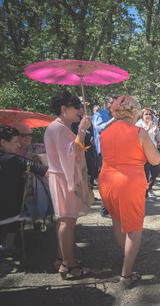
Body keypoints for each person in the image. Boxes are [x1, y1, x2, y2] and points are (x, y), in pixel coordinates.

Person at [98, 96, 160, 288]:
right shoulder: (139, 132)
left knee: (117, 220)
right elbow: (156, 160)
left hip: (107, 180)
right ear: (133, 112)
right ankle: (126, 275)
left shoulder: (105, 132)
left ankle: (127, 256)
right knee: (134, 228)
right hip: (128, 183)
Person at [44, 91, 92, 279]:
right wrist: (82, 129)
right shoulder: (57, 128)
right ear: (64, 109)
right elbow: (71, 153)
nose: (80, 111)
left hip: (63, 176)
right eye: (76, 107)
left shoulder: (61, 127)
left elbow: (72, 150)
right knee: (67, 220)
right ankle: (68, 263)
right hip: (64, 178)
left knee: (65, 220)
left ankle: (62, 257)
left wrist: (80, 129)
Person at [0, 126, 48, 253]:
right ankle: (8, 243)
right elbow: (43, 170)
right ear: (3, 142)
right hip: (11, 213)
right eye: (15, 142)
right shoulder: (13, 159)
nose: (18, 145)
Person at [92, 95, 115, 216]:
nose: (116, 105)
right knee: (105, 181)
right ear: (107, 103)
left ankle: (112, 205)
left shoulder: (117, 115)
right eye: (113, 102)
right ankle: (104, 207)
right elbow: (99, 128)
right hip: (103, 152)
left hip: (116, 151)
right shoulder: (99, 115)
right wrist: (113, 120)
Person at [136, 108, 160, 197]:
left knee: (155, 172)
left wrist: (156, 132)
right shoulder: (138, 124)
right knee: (145, 173)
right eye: (146, 114)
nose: (148, 116)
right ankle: (144, 193)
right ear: (142, 116)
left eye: (150, 114)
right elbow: (139, 137)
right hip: (142, 152)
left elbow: (159, 139)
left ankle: (148, 188)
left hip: (153, 152)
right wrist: (148, 128)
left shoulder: (154, 124)